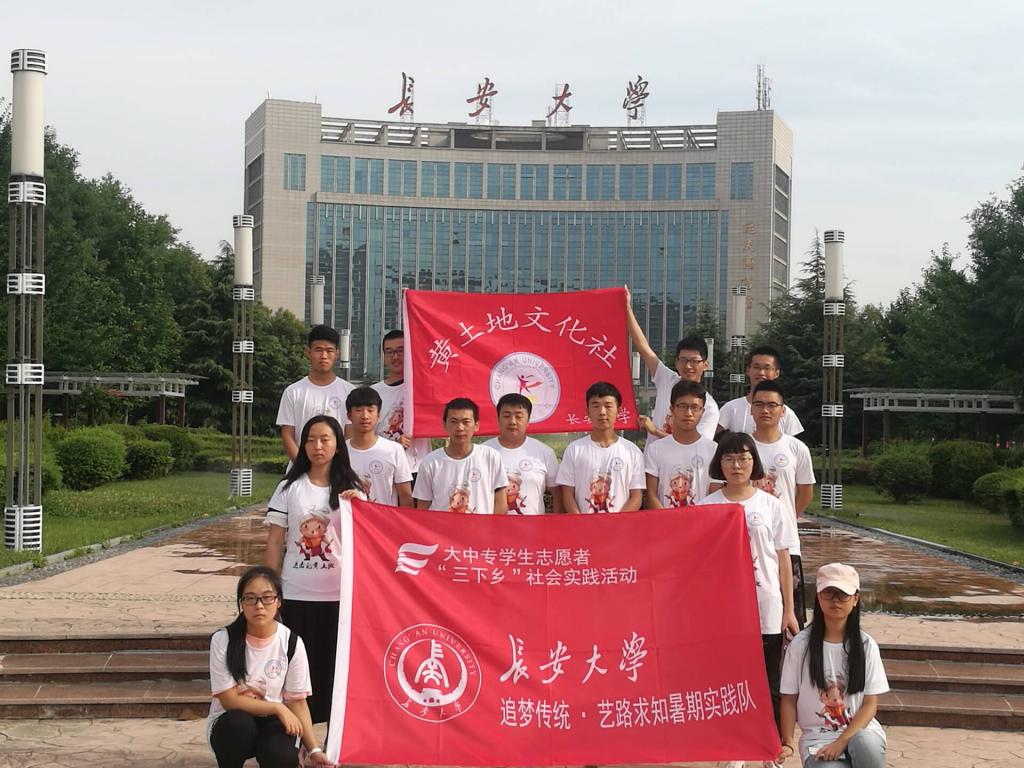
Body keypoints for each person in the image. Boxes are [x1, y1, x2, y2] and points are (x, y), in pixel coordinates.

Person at [697, 431, 799, 762]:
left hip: (766, 607)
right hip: (722, 614)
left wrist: (789, 610)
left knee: (769, 682)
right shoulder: (705, 507)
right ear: (719, 463)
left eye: (743, 457)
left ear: (754, 462)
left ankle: (770, 749)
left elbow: (783, 560)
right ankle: (733, 751)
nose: (736, 465)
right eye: (729, 458)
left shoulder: (771, 506)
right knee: (729, 682)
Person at [263, 415, 364, 725]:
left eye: (325, 439)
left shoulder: (352, 489)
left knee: (336, 670)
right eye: (310, 440)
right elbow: (275, 540)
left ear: (338, 446)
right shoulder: (289, 488)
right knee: (298, 671)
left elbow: (365, 542)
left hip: (339, 596)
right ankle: (302, 737)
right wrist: (269, 588)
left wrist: (360, 507)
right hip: (297, 593)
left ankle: (335, 739)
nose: (317, 446)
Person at [208, 566, 332, 768]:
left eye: (267, 598)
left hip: (273, 722)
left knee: (281, 755)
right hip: (232, 720)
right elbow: (229, 700)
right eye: (250, 598)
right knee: (237, 726)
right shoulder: (223, 640)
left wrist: (314, 750)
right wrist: (277, 707)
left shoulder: (291, 642)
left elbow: (297, 702)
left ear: (279, 601)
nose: (259, 606)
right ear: (241, 603)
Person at [777, 563, 889, 768]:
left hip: (860, 733)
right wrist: (788, 742)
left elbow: (870, 704)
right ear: (818, 597)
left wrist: (841, 742)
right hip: (818, 740)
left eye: (843, 594)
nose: (835, 600)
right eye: (829, 593)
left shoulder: (866, 645)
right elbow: (789, 699)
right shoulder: (800, 645)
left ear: (855, 599)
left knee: (865, 743)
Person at [750, 380, 816, 628]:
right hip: (748, 541)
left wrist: (787, 522)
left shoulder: (796, 448)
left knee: (789, 615)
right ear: (751, 409)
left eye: (771, 405)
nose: (765, 410)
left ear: (783, 410)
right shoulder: (741, 446)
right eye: (759, 404)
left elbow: (806, 492)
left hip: (786, 545)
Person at [624, 285, 720, 442]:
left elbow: (696, 443)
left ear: (705, 365)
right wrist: (627, 308)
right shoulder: (667, 379)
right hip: (653, 458)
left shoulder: (709, 406)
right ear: (676, 362)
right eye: (683, 360)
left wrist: (654, 430)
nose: (688, 366)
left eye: (694, 361)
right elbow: (643, 348)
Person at [556, 381, 645, 514]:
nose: (602, 412)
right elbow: (568, 495)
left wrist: (616, 522)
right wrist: (582, 522)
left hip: (620, 525)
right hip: (584, 525)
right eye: (596, 406)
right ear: (587, 411)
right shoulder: (574, 450)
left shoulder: (633, 452)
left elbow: (636, 497)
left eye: (608, 406)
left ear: (619, 411)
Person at [413, 397, 508, 514]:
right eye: (454, 422)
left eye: (466, 422)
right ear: (444, 425)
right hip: (442, 526)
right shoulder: (430, 462)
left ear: (476, 425)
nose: (460, 428)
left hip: (481, 526)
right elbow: (422, 510)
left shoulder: (490, 456)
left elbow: (501, 504)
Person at [276, 326, 354, 463]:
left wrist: (338, 467)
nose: (324, 356)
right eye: (318, 350)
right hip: (300, 469)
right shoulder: (293, 392)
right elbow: (288, 434)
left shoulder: (349, 392)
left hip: (337, 469)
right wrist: (302, 466)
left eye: (329, 351)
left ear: (337, 354)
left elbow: (350, 434)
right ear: (308, 352)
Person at [643, 380, 720, 508]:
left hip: (701, 519)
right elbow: (651, 494)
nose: (688, 413)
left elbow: (715, 495)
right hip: (665, 519)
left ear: (702, 411)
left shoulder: (713, 449)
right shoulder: (655, 449)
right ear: (672, 409)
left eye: (694, 407)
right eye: (683, 406)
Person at [483, 393, 563, 515]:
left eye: (519, 416)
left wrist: (557, 524)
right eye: (506, 416)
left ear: (528, 420)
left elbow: (558, 494)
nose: (512, 422)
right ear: (498, 418)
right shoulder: (483, 452)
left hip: (534, 526)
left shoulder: (544, 452)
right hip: (492, 526)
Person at [372, 330, 432, 476]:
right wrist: (394, 445)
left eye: (400, 351)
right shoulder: (373, 392)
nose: (395, 356)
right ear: (383, 356)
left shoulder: (423, 388)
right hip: (384, 467)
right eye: (389, 352)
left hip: (418, 469)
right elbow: (366, 433)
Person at [345, 386, 413, 507]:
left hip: (384, 518)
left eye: (370, 410)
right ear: (349, 415)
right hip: (350, 518)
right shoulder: (340, 452)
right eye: (359, 410)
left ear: (378, 415)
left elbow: (405, 495)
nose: (365, 416)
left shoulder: (394, 450)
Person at [718, 345, 804, 436]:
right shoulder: (731, 408)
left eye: (767, 368)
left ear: (776, 373)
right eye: (756, 367)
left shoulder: (786, 414)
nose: (761, 373)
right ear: (748, 370)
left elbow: (794, 443)